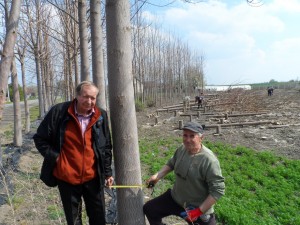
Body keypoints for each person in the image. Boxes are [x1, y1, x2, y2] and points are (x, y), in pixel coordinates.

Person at [33, 81, 114, 225]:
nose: (89, 101)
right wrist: (57, 158)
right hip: (67, 178)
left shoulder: (101, 116)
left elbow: (106, 146)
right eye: (86, 96)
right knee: (74, 220)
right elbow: (40, 138)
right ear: (76, 95)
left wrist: (107, 173)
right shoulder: (58, 112)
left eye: (93, 98)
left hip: (93, 178)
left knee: (99, 218)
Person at [143, 121, 225, 225]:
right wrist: (158, 176)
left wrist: (198, 211)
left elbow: (218, 190)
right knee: (150, 209)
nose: (187, 140)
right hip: (176, 199)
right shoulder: (182, 149)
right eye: (185, 135)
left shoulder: (209, 160)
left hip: (196, 207)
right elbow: (171, 163)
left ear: (201, 138)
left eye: (192, 136)